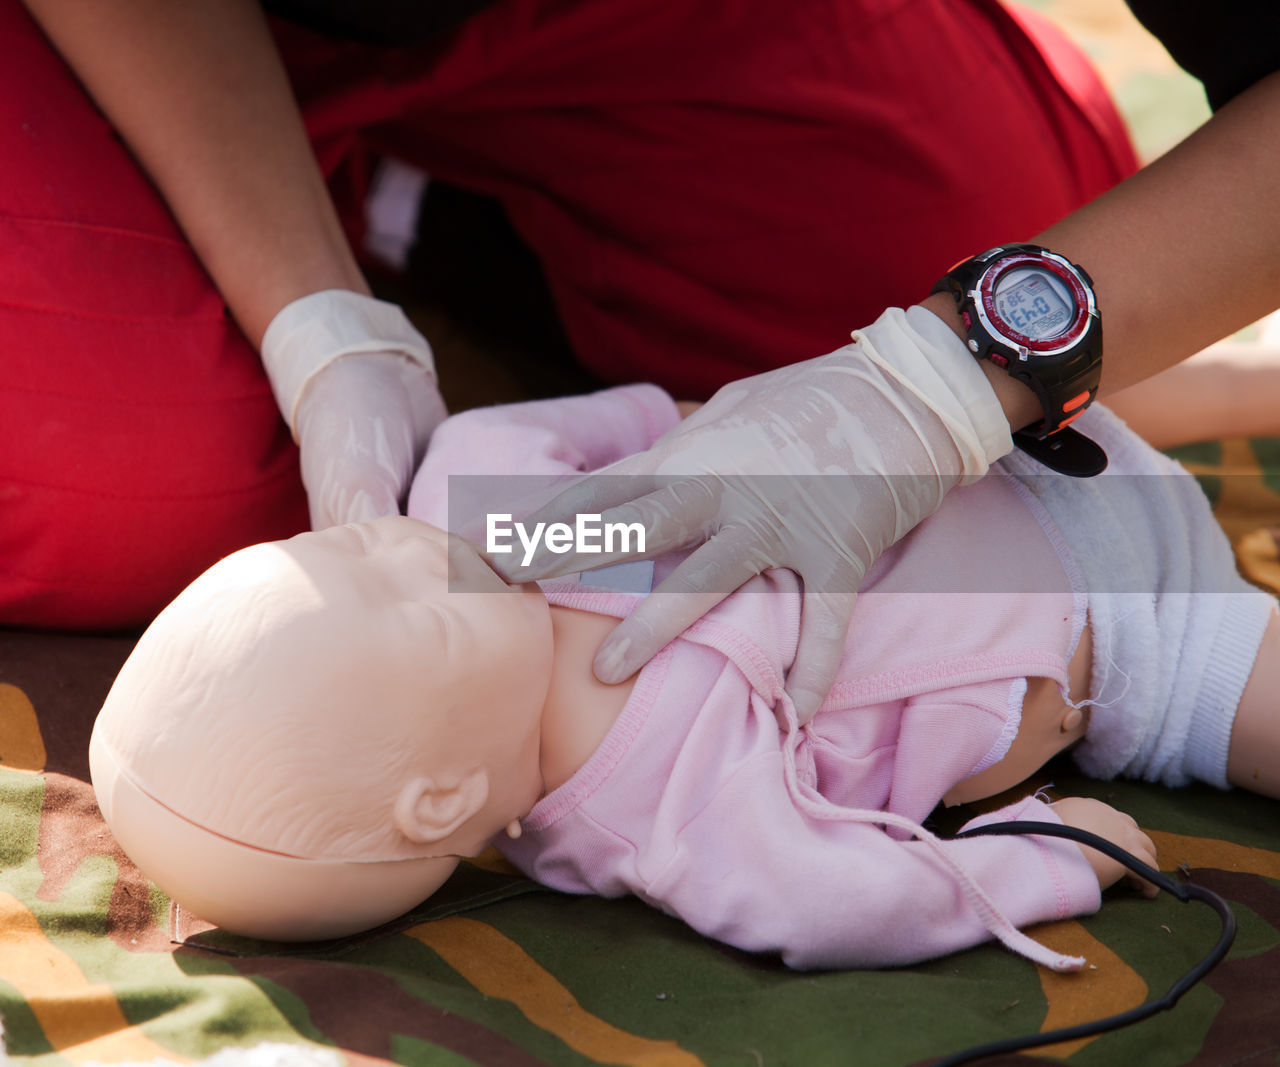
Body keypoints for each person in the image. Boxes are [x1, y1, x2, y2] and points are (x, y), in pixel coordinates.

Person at [7, 3, 1278, 717]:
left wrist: (931, 378)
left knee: (1027, 238)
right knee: (139, 482)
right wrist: (308, 315)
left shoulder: (493, 512)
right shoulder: (594, 759)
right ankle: (359, 202)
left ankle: (416, 205)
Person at [89, 369, 1278, 969]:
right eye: (405, 604)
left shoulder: (496, 535)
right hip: (1133, 640)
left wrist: (728, 420)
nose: (406, 546)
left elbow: (613, 432)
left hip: (981, 438)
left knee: (1080, 344)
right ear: (440, 799)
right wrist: (1048, 855)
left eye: (332, 545)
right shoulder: (656, 810)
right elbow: (835, 898)